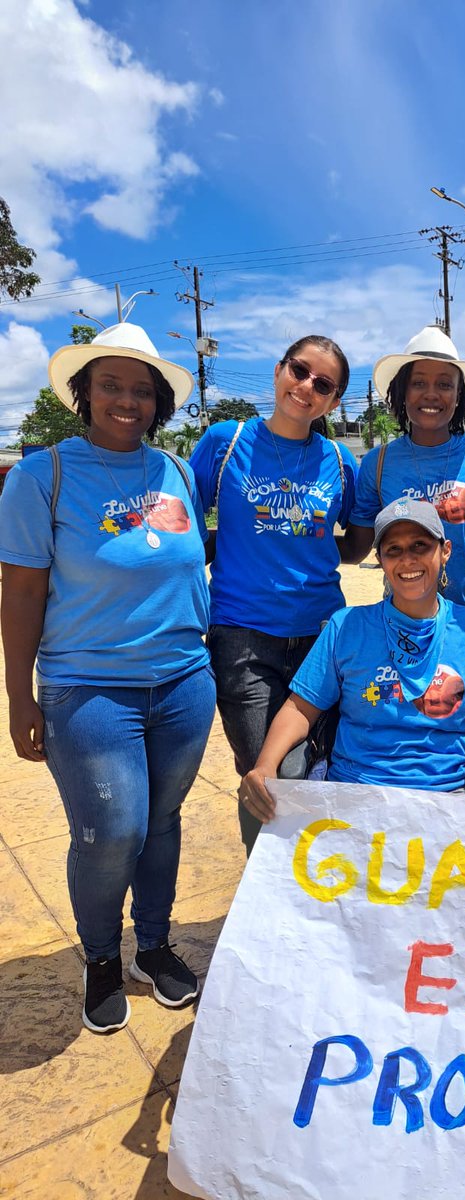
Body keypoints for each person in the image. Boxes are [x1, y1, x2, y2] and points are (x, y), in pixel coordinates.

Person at [0, 323, 216, 1035]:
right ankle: (101, 956)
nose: (128, 399)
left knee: (161, 821)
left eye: (142, 389)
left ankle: (152, 945)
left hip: (184, 683)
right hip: (89, 687)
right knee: (109, 829)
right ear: (84, 393)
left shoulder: (177, 472)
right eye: (112, 385)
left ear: (158, 403)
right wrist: (18, 694)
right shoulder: (43, 476)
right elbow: (23, 591)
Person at [239, 499, 465, 820]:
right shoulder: (346, 626)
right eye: (394, 550)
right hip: (358, 792)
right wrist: (265, 765)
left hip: (450, 797)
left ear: (445, 551)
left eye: (420, 546)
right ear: (380, 560)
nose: (408, 559)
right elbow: (299, 708)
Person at [188, 334, 358, 854]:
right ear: (279, 369)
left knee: (320, 766)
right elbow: (189, 532)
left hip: (323, 637)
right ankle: (265, 902)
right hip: (242, 639)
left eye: (323, 384)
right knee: (262, 773)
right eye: (299, 370)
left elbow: (357, 539)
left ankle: (317, 886)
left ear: (334, 401)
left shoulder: (339, 459)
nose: (306, 386)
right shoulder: (225, 442)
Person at [341, 326, 465, 612]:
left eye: (444, 384)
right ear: (402, 392)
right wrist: (294, 541)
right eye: (418, 383)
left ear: (458, 395)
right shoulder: (377, 464)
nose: (431, 394)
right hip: (403, 623)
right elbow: (356, 549)